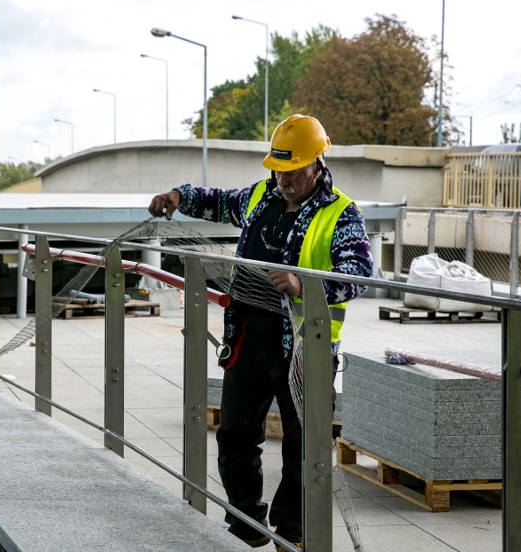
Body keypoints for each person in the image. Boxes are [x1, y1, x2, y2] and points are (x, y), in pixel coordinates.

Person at [147, 114, 373, 550]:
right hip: (249, 336)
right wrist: (178, 195)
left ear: (315, 166)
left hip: (304, 346)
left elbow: (359, 273)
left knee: (301, 444)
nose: (282, 181)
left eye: (291, 174)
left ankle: (292, 533)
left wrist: (303, 283)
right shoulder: (259, 198)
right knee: (234, 435)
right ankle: (245, 523)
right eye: (277, 171)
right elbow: (217, 201)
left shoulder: (341, 213)